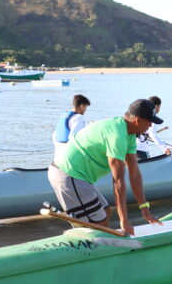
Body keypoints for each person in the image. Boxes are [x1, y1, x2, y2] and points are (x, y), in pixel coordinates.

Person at [48, 99, 163, 235]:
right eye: (149, 121)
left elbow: (134, 174)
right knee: (99, 223)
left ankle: (93, 241)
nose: (150, 126)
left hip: (78, 177)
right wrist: (124, 220)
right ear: (138, 120)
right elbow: (118, 181)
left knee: (105, 212)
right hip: (68, 174)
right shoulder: (117, 135)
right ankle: (90, 249)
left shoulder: (129, 134)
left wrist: (145, 209)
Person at [52, 94, 90, 162]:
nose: (86, 110)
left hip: (58, 156)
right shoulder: (78, 117)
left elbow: (55, 135)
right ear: (82, 106)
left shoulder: (63, 116)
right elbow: (73, 137)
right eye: (86, 107)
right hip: (69, 157)